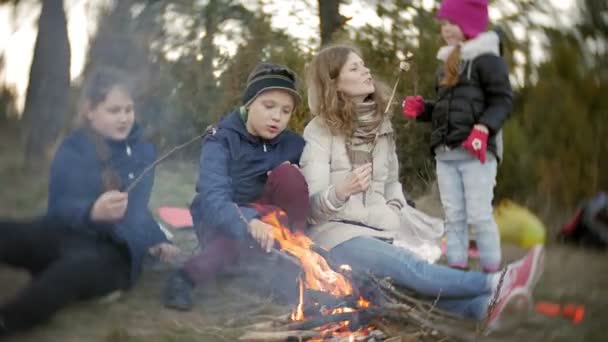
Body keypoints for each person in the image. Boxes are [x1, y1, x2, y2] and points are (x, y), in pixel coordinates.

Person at [300, 44, 541, 333]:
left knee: (409, 290)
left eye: (364, 64)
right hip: (335, 236)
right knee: (412, 267)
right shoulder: (319, 130)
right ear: (333, 83)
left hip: (379, 230)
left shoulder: (382, 127)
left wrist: (393, 210)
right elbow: (311, 207)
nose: (366, 70)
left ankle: (484, 308)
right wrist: (342, 190)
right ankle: (499, 281)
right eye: (355, 67)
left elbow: (391, 184)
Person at [0, 67, 178, 336]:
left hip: (114, 254)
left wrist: (156, 239)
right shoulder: (73, 147)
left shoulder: (143, 151)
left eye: (128, 109)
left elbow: (139, 209)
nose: (124, 118)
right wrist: (91, 211)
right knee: (13, 233)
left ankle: (9, 320)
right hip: (68, 234)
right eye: (113, 110)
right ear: (90, 111)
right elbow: (59, 207)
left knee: (71, 271)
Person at [163, 63, 310, 311]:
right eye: (269, 106)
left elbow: (304, 193)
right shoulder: (222, 138)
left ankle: (295, 260)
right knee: (229, 242)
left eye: (285, 111)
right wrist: (249, 220)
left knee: (290, 176)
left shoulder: (293, 144)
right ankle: (185, 277)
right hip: (225, 219)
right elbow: (213, 196)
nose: (277, 117)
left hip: (270, 221)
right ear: (249, 103)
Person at [402, 0, 512, 272]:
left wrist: (484, 127)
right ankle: (457, 270)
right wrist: (424, 110)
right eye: (444, 24)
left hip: (477, 152)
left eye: (452, 22)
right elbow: (448, 108)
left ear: (471, 22)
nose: (446, 29)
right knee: (453, 216)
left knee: (478, 215)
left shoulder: (488, 59)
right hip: (446, 153)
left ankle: (492, 274)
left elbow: (502, 101)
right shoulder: (448, 62)